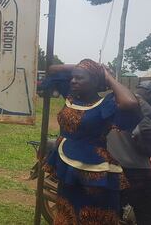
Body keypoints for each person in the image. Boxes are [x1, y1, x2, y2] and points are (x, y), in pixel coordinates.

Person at [41, 59, 140, 224]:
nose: (73, 80)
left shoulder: (105, 105)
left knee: (91, 215)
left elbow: (130, 103)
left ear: (95, 81)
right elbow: (52, 69)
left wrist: (107, 76)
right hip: (67, 168)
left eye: (80, 78)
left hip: (94, 172)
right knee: (67, 211)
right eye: (73, 77)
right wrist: (83, 66)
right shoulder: (71, 97)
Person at [107, 81, 151, 225]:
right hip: (137, 171)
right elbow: (144, 135)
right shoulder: (143, 107)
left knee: (112, 212)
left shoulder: (110, 100)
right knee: (145, 214)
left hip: (110, 168)